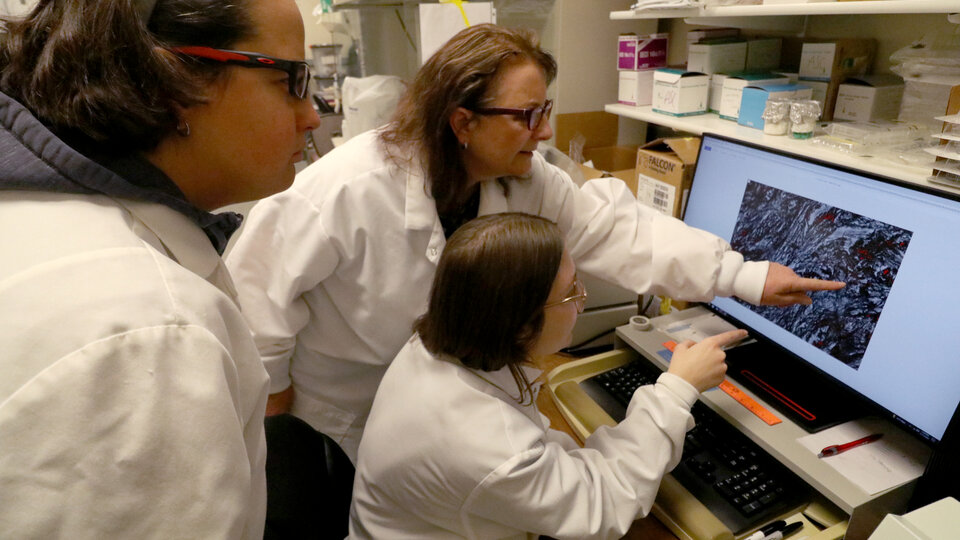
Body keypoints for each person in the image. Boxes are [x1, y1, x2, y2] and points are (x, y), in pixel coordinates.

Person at [225, 23, 844, 462]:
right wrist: (279, 421)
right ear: (462, 121)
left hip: (452, 406)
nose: (545, 131)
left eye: (545, 109)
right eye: (527, 116)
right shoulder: (344, 189)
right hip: (342, 418)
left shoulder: (526, 179)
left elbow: (616, 234)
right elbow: (256, 304)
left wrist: (743, 276)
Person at [0, 0, 319, 537]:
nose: (312, 114)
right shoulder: (149, 332)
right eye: (292, 79)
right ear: (170, 80)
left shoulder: (41, 218)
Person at [348, 212, 749, 539]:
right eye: (573, 293)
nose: (583, 300)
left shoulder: (438, 341)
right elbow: (606, 504)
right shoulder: (489, 447)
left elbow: (535, 451)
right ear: (520, 324)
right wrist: (677, 390)